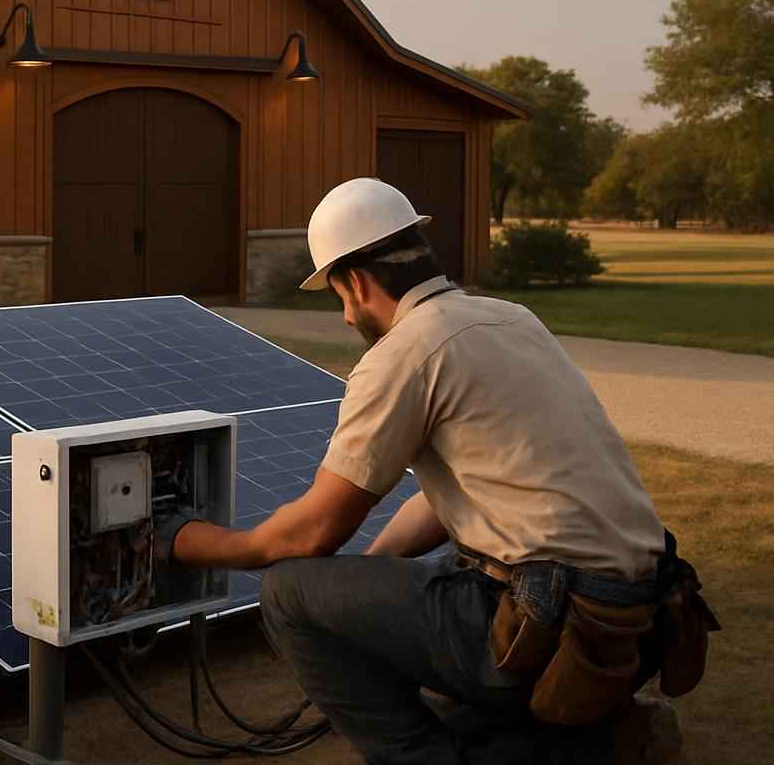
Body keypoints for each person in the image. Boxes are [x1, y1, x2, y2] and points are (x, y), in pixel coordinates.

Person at [160, 178, 713, 764]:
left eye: (338, 296)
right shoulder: (512, 320)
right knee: (442, 573)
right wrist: (361, 591)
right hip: (643, 620)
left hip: (552, 625)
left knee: (290, 592)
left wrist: (191, 542)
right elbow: (447, 499)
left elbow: (311, 533)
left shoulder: (404, 353)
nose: (347, 319)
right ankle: (595, 738)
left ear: (356, 281)